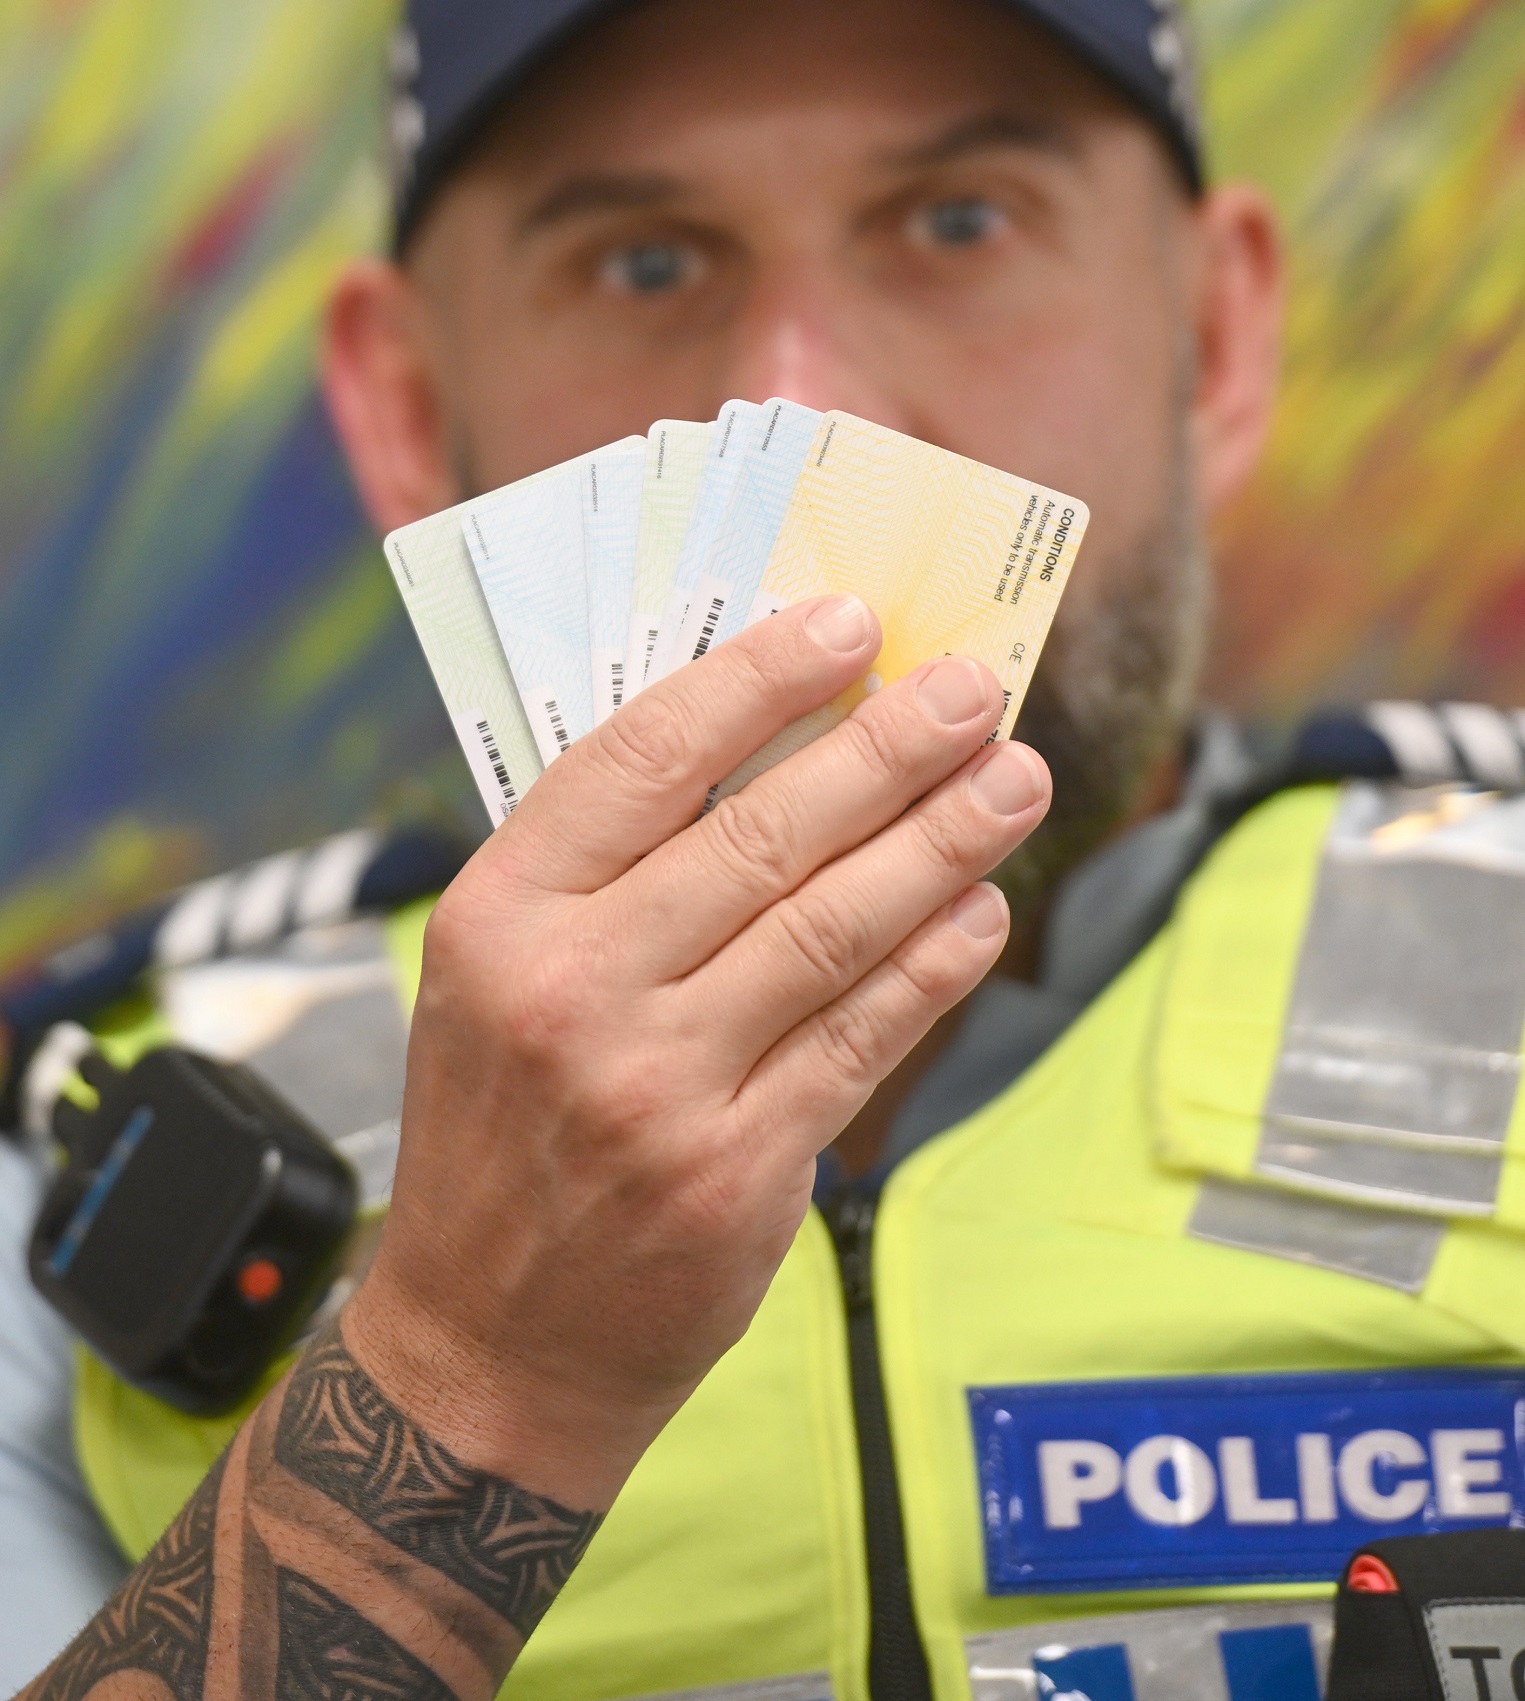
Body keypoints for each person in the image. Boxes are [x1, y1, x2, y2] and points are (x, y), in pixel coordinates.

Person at [9, 0, 1525, 1695]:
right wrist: (471, 1366)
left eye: (958, 223)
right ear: (403, 405)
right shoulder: (69, 1162)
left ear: (1221, 338)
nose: (802, 413)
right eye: (644, 261)